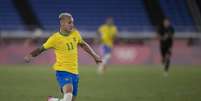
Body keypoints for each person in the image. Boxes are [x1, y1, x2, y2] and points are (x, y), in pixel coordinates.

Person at [24, 12, 102, 101]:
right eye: (69, 22)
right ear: (62, 23)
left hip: (75, 72)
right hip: (62, 71)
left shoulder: (75, 34)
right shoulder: (55, 38)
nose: (72, 25)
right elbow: (41, 48)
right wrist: (30, 55)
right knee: (68, 95)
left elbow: (83, 44)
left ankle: (52, 100)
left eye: (72, 22)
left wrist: (95, 56)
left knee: (70, 99)